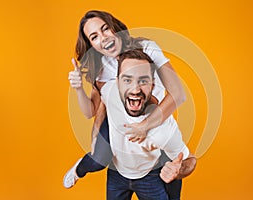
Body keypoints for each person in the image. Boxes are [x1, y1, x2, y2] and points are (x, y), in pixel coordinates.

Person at [64, 10, 188, 198]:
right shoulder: (102, 69)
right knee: (99, 159)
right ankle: (79, 168)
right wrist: (79, 89)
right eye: (94, 37)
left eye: (105, 29)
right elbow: (94, 110)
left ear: (115, 27)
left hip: (154, 120)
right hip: (124, 129)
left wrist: (146, 126)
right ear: (91, 45)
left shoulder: (147, 48)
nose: (103, 38)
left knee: (172, 184)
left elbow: (178, 94)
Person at [101, 49, 196, 199]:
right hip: (116, 172)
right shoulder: (109, 92)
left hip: (149, 174)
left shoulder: (164, 128)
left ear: (153, 86)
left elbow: (190, 160)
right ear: (117, 82)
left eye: (143, 81)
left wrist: (179, 169)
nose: (135, 89)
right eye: (127, 80)